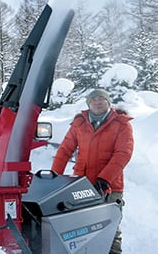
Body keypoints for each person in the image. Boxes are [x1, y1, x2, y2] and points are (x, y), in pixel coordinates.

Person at [51, 89, 134, 254]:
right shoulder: (79, 123)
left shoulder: (122, 124)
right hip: (81, 184)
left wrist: (105, 179)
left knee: (110, 225)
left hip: (110, 186)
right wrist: (54, 177)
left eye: (102, 99)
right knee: (81, 226)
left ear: (108, 102)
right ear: (88, 103)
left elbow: (123, 154)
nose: (98, 102)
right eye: (94, 99)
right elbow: (65, 150)